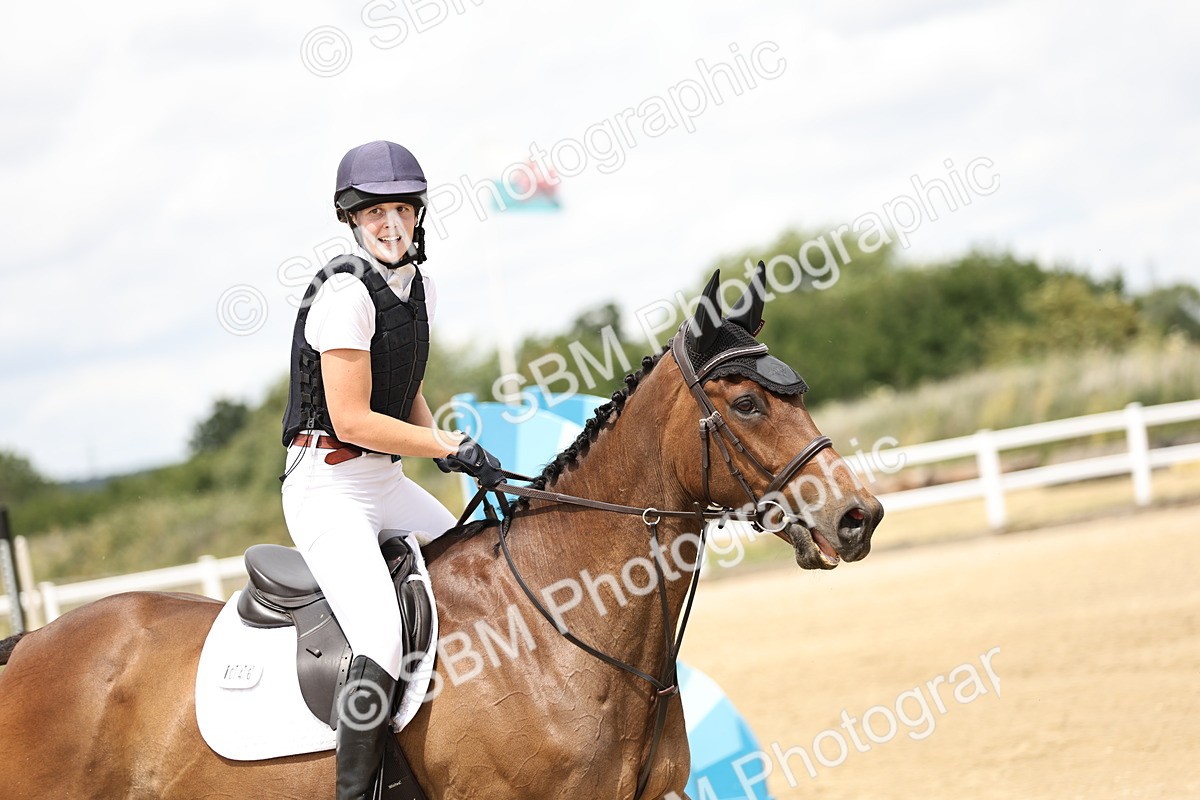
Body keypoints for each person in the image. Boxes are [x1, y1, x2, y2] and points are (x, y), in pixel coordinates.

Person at [279, 140, 504, 800]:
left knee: (484, 567)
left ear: (418, 214)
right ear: (354, 219)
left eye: (402, 209)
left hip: (384, 484)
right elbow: (350, 419)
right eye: (377, 213)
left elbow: (404, 389)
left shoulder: (418, 288)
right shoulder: (344, 295)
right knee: (378, 633)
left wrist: (443, 446)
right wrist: (446, 446)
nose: (392, 224)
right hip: (329, 489)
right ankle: (356, 794)